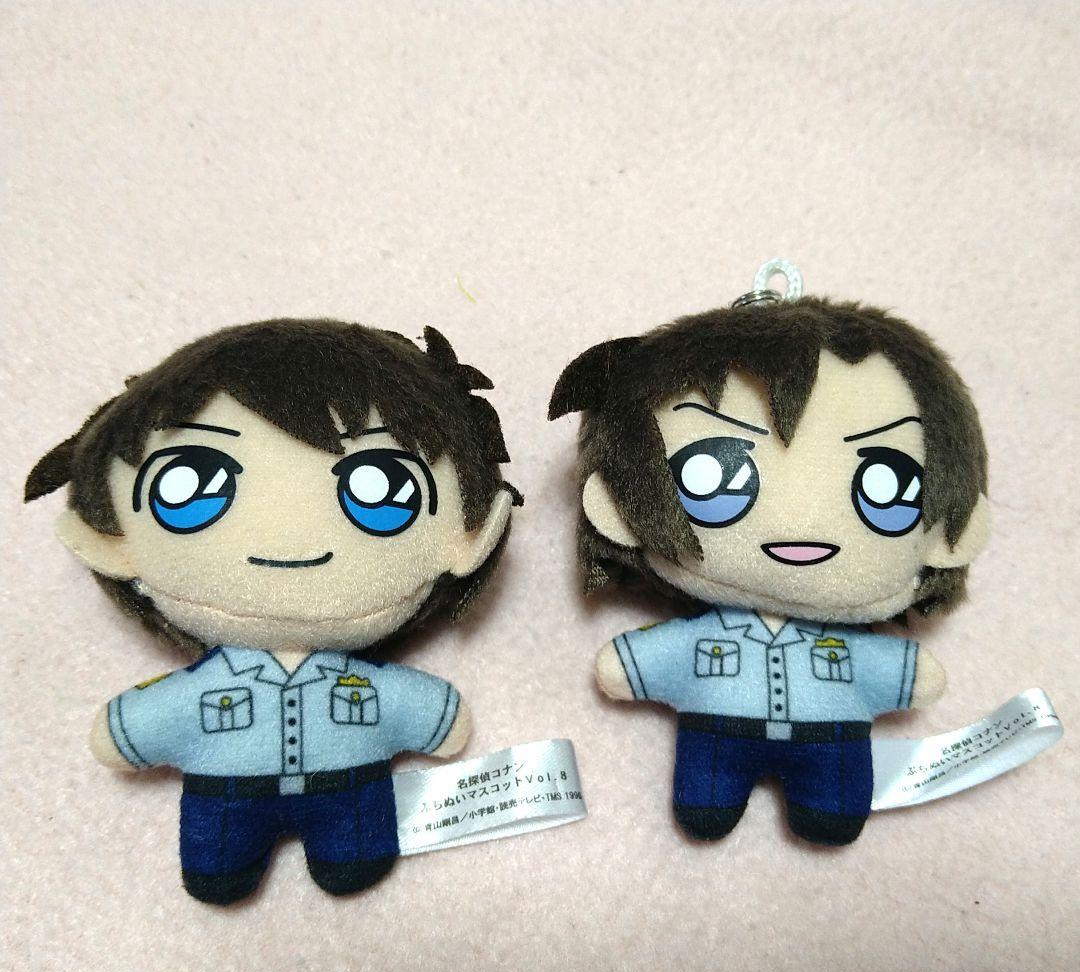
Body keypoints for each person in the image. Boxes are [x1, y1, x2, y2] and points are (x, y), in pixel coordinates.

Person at [25, 319, 521, 902]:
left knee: (354, 860)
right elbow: (139, 726)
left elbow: (431, 715)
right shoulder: (221, 686)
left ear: (467, 537)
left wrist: (436, 717)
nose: (289, 539)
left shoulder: (360, 681)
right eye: (188, 487)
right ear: (110, 538)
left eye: (381, 488)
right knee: (220, 870)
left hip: (349, 795)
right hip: (228, 802)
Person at [548, 289, 989, 845]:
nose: (802, 521)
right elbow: (632, 666)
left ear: (953, 535)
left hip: (827, 745)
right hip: (718, 740)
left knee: (828, 814)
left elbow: (913, 678)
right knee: (706, 809)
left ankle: (819, 808)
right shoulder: (709, 635)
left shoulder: (831, 646)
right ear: (617, 507)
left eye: (885, 484)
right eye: (711, 475)